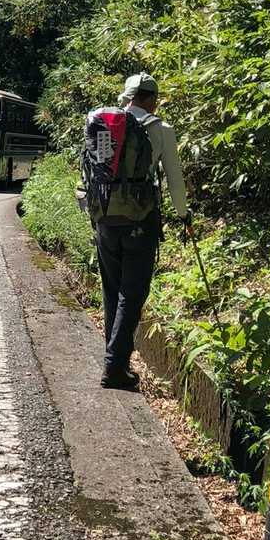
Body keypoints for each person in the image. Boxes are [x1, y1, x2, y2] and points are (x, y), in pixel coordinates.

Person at [94, 72, 191, 391]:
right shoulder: (161, 129)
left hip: (104, 216)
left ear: (127, 97)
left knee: (112, 290)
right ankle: (114, 366)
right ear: (151, 99)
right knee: (132, 293)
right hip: (140, 218)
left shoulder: (104, 122)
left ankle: (115, 359)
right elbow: (174, 178)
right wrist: (183, 214)